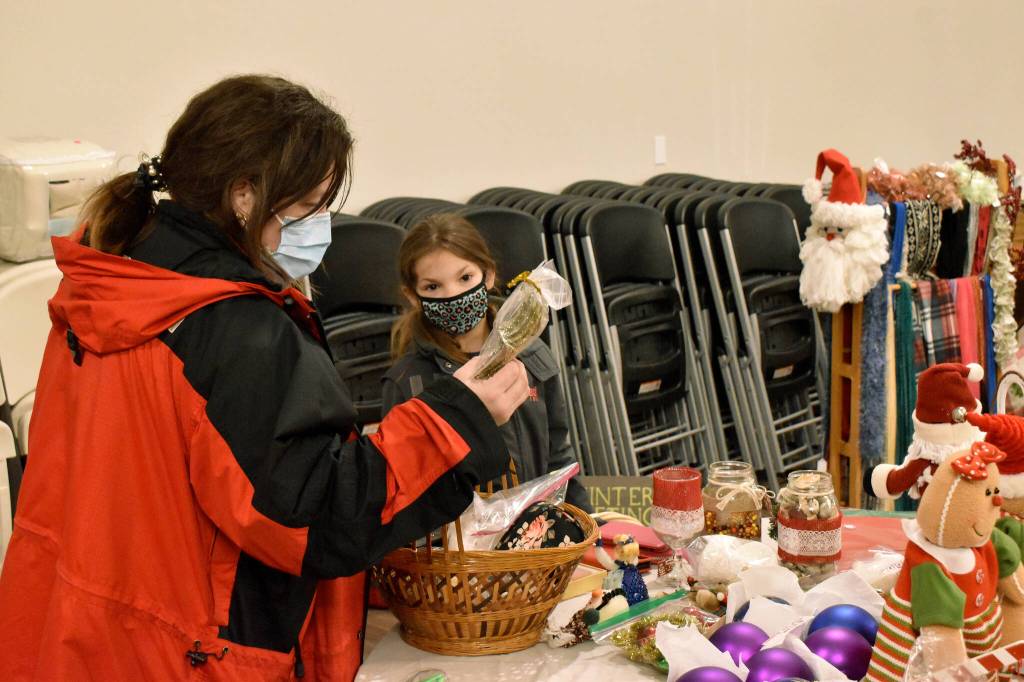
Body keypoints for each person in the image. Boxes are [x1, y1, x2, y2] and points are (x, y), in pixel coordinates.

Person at [0, 75, 529, 682]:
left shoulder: (116, 278)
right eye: (310, 206)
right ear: (245, 196)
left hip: (91, 630)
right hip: (196, 650)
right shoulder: (233, 326)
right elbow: (309, 517)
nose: (321, 224)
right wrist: (456, 420)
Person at [382, 213, 591, 512]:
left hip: (537, 527)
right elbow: (406, 487)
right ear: (413, 296)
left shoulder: (532, 355)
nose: (452, 295)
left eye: (465, 278)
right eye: (432, 287)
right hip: (460, 537)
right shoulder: (407, 382)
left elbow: (559, 456)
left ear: (488, 275)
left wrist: (586, 523)